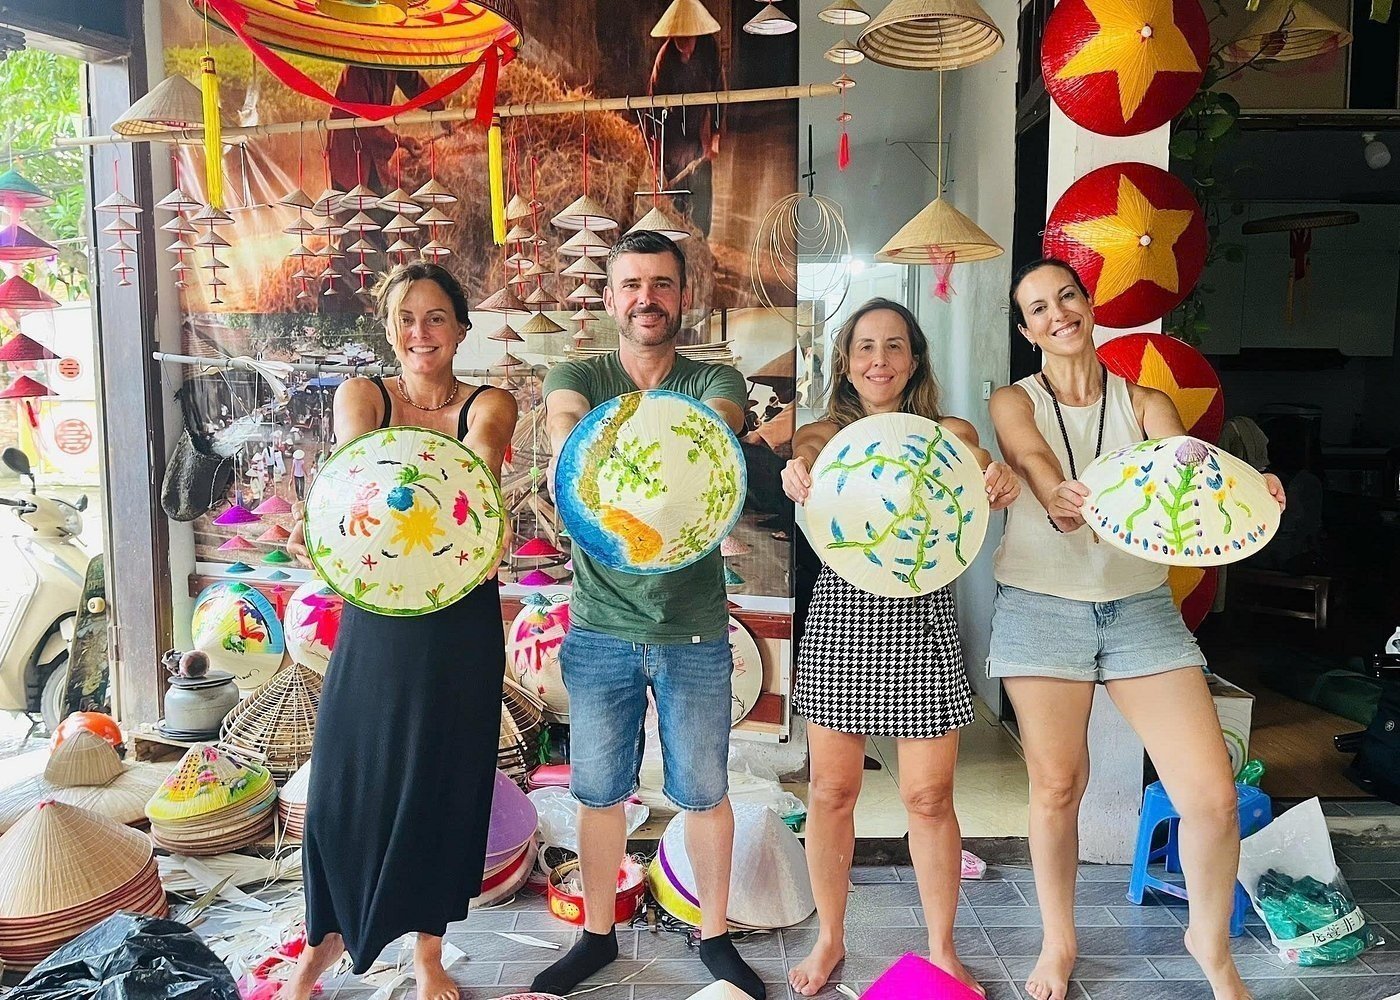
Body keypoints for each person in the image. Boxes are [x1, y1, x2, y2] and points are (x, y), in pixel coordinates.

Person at [988, 259, 1285, 1000]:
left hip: (1139, 608)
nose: (1058, 313)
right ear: (1027, 330)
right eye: (1038, 308)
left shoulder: (1146, 401)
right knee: (1059, 785)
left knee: (1212, 797)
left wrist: (1249, 491)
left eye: (1067, 297)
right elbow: (1029, 452)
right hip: (1041, 604)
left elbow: (1186, 472)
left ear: (1089, 305)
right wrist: (1053, 492)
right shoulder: (1013, 399)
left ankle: (1209, 945)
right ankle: (1059, 942)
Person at [530, 231, 764, 1000]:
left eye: (661, 284)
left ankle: (715, 936)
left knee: (704, 791)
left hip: (693, 627)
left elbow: (716, 424)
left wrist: (683, 445)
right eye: (631, 285)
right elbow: (567, 415)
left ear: (682, 296)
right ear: (609, 299)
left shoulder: (712, 378)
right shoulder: (580, 373)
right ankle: (597, 936)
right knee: (598, 792)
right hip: (601, 627)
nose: (646, 299)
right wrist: (570, 447)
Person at [284, 262, 518, 1000]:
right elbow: (359, 463)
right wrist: (324, 517)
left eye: (436, 317)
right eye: (406, 319)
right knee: (344, 783)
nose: (421, 332)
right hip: (380, 611)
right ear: (390, 331)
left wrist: (483, 511)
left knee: (442, 782)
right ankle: (321, 943)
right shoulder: (365, 395)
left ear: (461, 329)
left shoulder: (491, 401)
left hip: (460, 616)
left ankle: (428, 954)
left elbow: (481, 457)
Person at [779, 298, 1021, 997]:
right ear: (845, 362)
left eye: (894, 346)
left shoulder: (948, 431)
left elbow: (975, 460)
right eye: (865, 347)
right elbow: (807, 456)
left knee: (929, 796)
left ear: (914, 359)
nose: (879, 360)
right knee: (831, 792)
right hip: (841, 619)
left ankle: (942, 948)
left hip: (923, 624)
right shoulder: (824, 432)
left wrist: (993, 474)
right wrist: (798, 469)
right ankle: (830, 937)